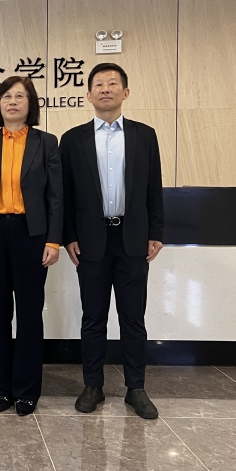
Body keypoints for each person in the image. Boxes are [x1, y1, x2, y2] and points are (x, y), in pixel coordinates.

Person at [60, 63, 164, 419]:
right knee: (93, 317)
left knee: (133, 318)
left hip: (133, 239)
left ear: (125, 92)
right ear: (89, 95)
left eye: (113, 83)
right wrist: (68, 236)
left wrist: (156, 231)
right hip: (90, 241)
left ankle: (136, 389)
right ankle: (93, 385)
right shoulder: (72, 139)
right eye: (99, 85)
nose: (106, 89)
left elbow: (153, 187)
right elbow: (65, 194)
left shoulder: (144, 135)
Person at [0, 76, 62, 416]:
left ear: (30, 103)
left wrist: (53, 240)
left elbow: (55, 196)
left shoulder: (46, 143)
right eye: (7, 96)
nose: (13, 102)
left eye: (20, 96)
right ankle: (0, 387)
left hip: (32, 235)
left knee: (30, 313)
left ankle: (26, 389)